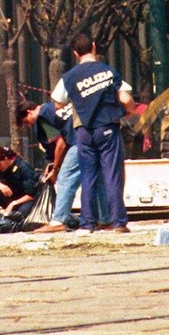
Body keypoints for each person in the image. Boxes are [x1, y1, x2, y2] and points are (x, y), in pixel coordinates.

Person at [52, 34, 134, 234]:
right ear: (94, 47)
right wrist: (130, 110)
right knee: (112, 176)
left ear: (75, 53)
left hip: (83, 133)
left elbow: (58, 102)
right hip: (107, 129)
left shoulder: (69, 77)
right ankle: (118, 223)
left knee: (88, 176)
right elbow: (124, 98)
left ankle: (87, 224)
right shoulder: (107, 71)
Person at [20, 101, 80, 231]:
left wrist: (55, 168)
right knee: (94, 180)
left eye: (26, 122)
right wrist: (52, 163)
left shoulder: (42, 118)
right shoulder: (51, 106)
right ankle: (104, 219)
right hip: (88, 136)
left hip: (76, 143)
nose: (29, 125)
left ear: (29, 111)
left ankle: (58, 221)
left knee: (65, 179)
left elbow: (60, 143)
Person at [0, 144, 37, 217]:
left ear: (6, 159)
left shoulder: (23, 168)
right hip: (10, 197)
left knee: (18, 216)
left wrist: (14, 203)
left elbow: (32, 195)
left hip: (24, 200)